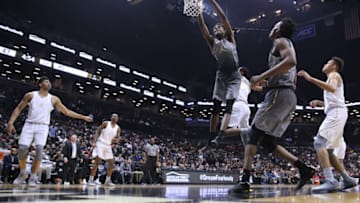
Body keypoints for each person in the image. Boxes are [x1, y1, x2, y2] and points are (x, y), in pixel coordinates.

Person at [229, 18, 315, 194]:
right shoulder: (287, 43)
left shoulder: (280, 41)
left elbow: (291, 62)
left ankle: (244, 182)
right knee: (268, 142)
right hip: (288, 96)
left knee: (253, 133)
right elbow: (292, 77)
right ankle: (304, 168)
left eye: (274, 25)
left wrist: (261, 77)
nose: (272, 27)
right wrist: (270, 83)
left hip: (280, 95)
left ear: (278, 29)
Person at [5, 76, 93, 186]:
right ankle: (23, 173)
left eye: (49, 82)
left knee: (39, 150)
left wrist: (83, 117)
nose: (49, 83)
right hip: (29, 124)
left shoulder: (53, 99)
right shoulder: (31, 95)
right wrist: (10, 122)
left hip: (43, 126)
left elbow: (66, 111)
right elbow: (18, 108)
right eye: (46, 81)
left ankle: (33, 176)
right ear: (40, 84)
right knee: (22, 148)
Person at [298, 57, 358, 192]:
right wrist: (320, 103)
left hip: (336, 113)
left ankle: (330, 180)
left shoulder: (334, 75)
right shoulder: (332, 77)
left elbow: (331, 88)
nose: (324, 64)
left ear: (334, 66)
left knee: (319, 143)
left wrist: (310, 78)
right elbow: (335, 99)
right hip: (336, 112)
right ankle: (347, 179)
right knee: (330, 151)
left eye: (328, 63)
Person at [198, 0, 242, 146]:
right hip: (222, 74)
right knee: (215, 107)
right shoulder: (212, 42)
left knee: (229, 105)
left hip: (235, 75)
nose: (217, 27)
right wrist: (198, 10)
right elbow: (203, 26)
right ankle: (211, 137)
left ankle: (221, 135)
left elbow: (223, 17)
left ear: (225, 31)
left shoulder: (230, 38)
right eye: (215, 27)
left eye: (219, 27)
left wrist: (212, 1)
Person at [211, 67, 265, 146]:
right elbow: (260, 89)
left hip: (237, 105)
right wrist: (264, 83)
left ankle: (251, 130)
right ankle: (248, 155)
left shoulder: (235, 78)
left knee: (225, 130)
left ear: (242, 72)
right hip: (246, 108)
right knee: (246, 137)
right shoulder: (248, 83)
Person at [88, 114, 121, 186]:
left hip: (108, 145)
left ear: (118, 119)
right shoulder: (106, 123)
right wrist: (94, 142)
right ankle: (90, 180)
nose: (113, 117)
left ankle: (107, 181)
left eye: (115, 116)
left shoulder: (118, 128)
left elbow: (118, 138)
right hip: (100, 143)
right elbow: (97, 131)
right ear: (110, 117)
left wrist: (116, 140)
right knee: (97, 161)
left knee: (111, 162)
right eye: (112, 116)